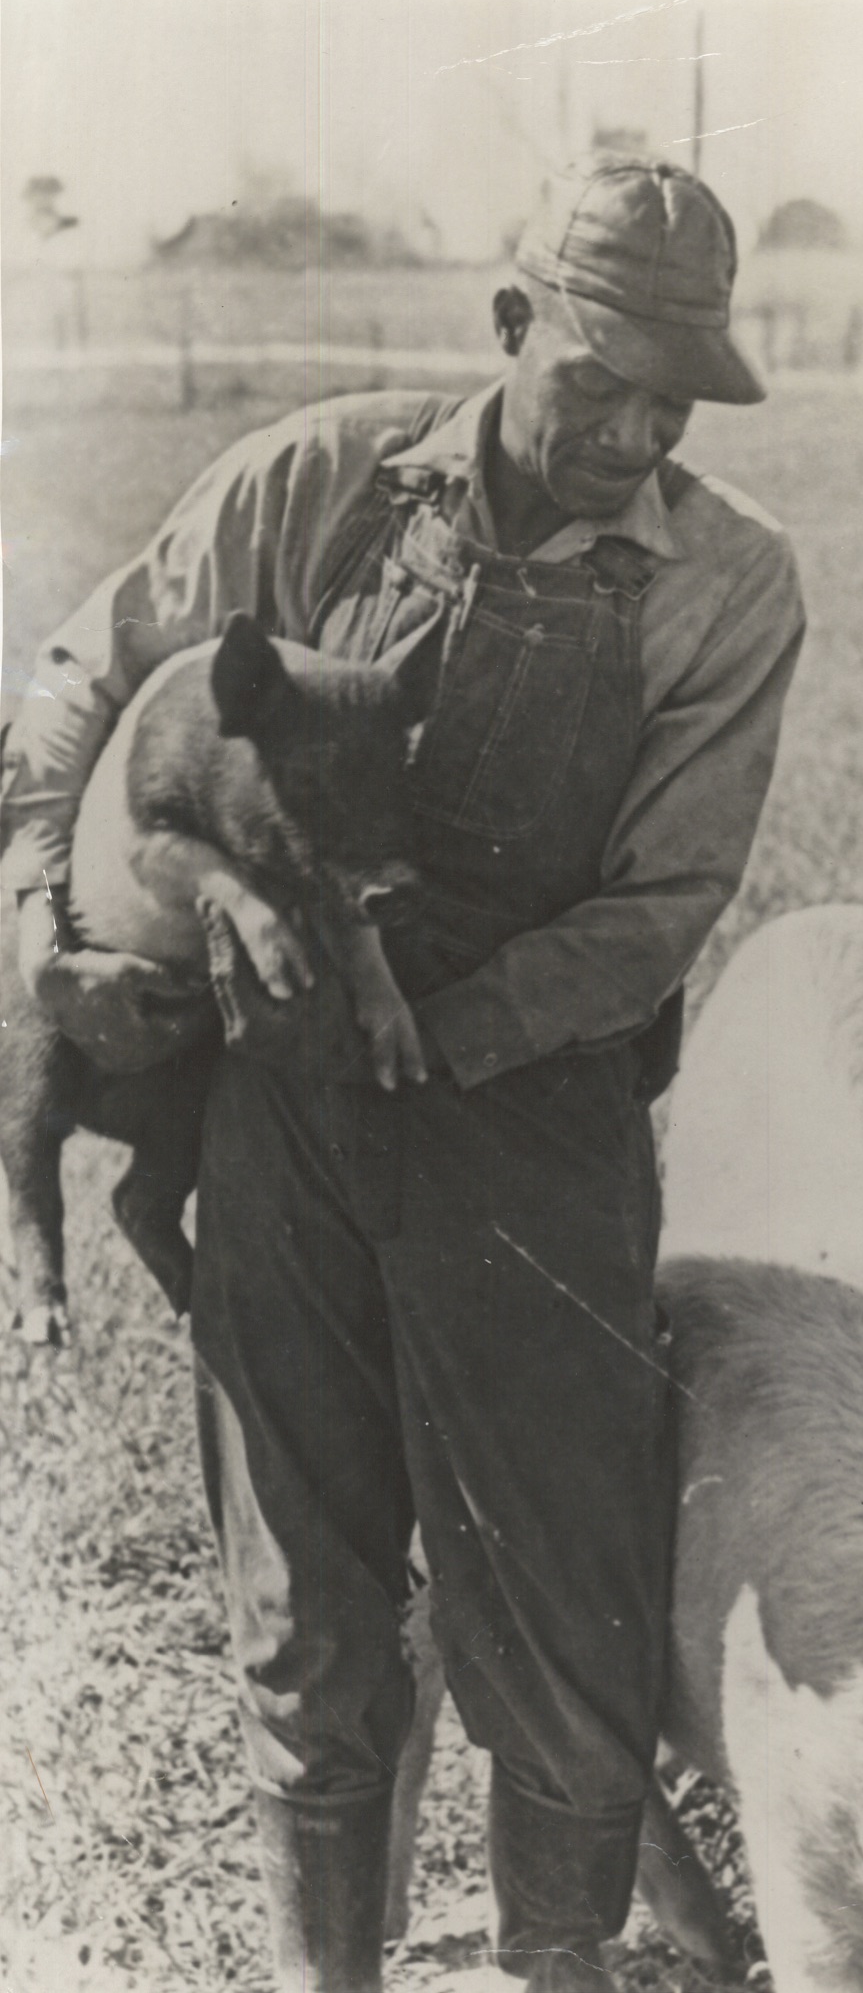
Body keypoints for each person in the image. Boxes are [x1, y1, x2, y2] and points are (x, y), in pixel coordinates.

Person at [1, 158, 805, 1992]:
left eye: (673, 395)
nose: (632, 429)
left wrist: (425, 1029)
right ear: (508, 324)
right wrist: (47, 911)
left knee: (562, 1600)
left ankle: (553, 1963)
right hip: (277, 1113)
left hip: (534, 1126)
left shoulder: (728, 591)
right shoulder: (317, 483)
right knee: (308, 1597)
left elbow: (659, 908)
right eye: (595, 375)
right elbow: (87, 667)